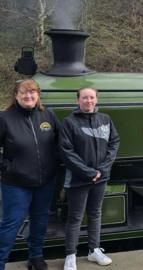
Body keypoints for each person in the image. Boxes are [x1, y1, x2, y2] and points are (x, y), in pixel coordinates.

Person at [0, 79, 60, 270]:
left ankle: (36, 256)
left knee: (40, 219)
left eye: (32, 92)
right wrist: (6, 167)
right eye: (24, 93)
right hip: (16, 183)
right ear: (16, 95)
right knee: (11, 224)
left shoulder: (48, 115)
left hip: (45, 181)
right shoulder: (5, 118)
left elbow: (61, 142)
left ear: (38, 95)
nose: (28, 96)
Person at [60, 87, 120, 270]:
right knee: (75, 217)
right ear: (78, 100)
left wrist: (102, 169)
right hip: (79, 178)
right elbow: (66, 151)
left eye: (91, 97)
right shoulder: (69, 123)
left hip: (101, 177)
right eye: (84, 98)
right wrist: (88, 172)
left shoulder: (105, 119)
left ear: (96, 99)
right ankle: (70, 256)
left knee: (95, 213)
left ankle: (94, 250)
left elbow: (114, 142)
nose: (88, 101)